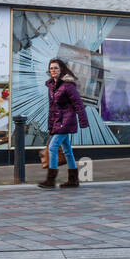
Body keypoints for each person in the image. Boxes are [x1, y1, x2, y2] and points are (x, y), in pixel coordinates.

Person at [39, 57, 89, 189]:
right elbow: (53, 108)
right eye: (51, 68)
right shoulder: (51, 86)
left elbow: (78, 104)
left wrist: (83, 121)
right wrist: (51, 125)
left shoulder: (67, 85)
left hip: (66, 122)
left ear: (61, 70)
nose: (53, 70)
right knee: (67, 150)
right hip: (58, 122)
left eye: (56, 68)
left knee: (52, 147)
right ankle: (73, 180)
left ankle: (50, 180)